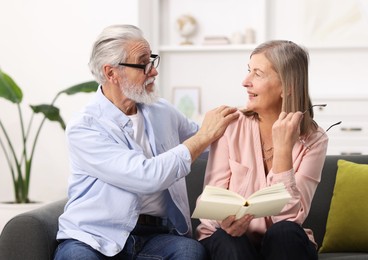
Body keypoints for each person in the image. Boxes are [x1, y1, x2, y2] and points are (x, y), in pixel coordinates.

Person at [54, 24, 238, 260]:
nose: (153, 72)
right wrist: (203, 137)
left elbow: (211, 145)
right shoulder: (85, 127)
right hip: (94, 236)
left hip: (156, 235)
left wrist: (252, 126)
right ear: (111, 73)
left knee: (190, 252)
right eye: (143, 64)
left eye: (152, 60)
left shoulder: (162, 111)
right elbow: (146, 176)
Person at [196, 40, 328, 260]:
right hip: (229, 239)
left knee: (284, 232)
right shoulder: (229, 125)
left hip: (282, 243)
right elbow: (209, 203)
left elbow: (291, 217)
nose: (245, 82)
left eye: (257, 74)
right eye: (249, 71)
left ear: (288, 87)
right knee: (228, 239)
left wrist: (284, 150)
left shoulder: (315, 139)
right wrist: (223, 220)